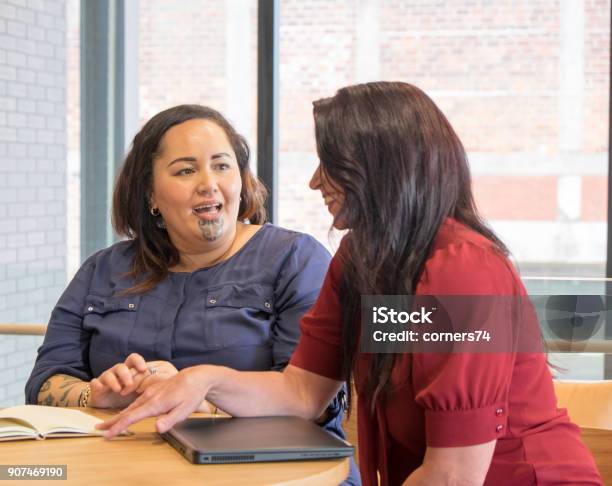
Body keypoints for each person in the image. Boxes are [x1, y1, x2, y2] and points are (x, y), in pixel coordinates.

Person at [99, 82, 603, 486]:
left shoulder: (464, 271)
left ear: (382, 170)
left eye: (330, 165)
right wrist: (204, 378)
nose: (315, 182)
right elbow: (301, 393)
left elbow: (453, 475)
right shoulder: (363, 258)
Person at [25, 104, 360, 485]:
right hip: (122, 471)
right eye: (186, 170)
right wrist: (97, 395)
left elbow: (311, 403)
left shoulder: (295, 258)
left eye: (222, 165)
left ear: (242, 179)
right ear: (150, 194)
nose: (208, 183)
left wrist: (199, 394)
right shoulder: (102, 270)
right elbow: (45, 382)